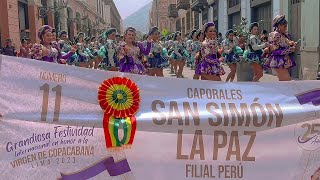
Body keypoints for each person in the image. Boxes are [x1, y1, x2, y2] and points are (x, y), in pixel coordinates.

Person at [268, 15, 297, 81]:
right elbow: (275, 51)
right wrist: (290, 50)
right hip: (278, 61)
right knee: (286, 80)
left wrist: (291, 44)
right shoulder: (275, 35)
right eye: (284, 26)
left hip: (284, 61)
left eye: (286, 26)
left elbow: (285, 44)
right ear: (279, 26)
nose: (286, 28)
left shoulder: (283, 35)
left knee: (283, 82)